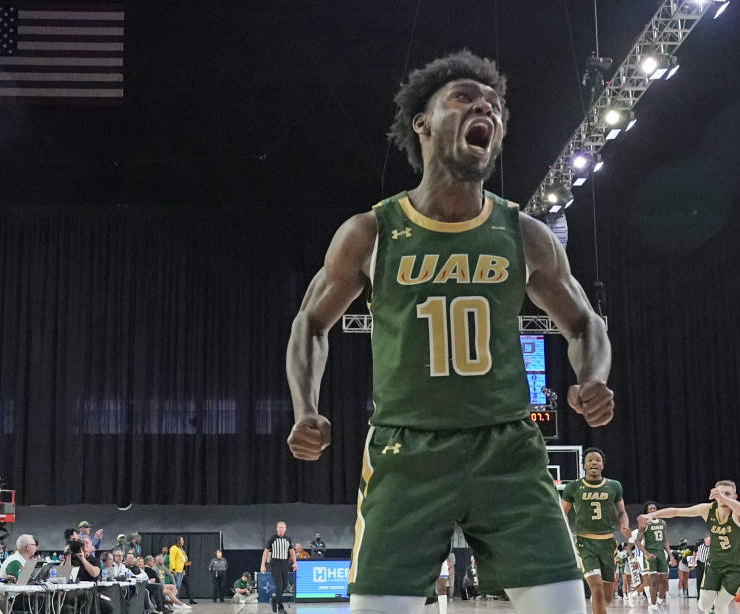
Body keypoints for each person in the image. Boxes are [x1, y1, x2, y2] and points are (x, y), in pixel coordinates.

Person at [285, 50, 613, 614]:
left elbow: (585, 322)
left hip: (507, 448)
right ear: (422, 122)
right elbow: (311, 323)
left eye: (495, 106)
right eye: (464, 96)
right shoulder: (372, 231)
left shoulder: (524, 233)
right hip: (404, 449)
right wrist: (304, 407)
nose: (484, 106)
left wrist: (592, 376)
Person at [639, 480, 740, 614]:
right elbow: (676, 511)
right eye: (720, 493)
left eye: (727, 493)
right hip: (716, 562)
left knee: (721, 605)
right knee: (704, 605)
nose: (723, 496)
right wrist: (651, 515)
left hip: (738, 565)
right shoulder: (708, 509)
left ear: (735, 497)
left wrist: (722, 497)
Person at [561, 448, 631, 614]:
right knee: (597, 587)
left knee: (606, 597)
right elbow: (561, 513)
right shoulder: (573, 487)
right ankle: (596, 598)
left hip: (608, 543)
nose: (593, 462)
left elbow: (622, 512)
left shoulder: (614, 486)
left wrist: (625, 524)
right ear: (584, 465)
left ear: (602, 465)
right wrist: (564, 532)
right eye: (590, 460)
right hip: (586, 543)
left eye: (597, 460)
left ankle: (598, 601)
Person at [635, 502, 675, 611]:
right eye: (650, 509)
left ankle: (659, 602)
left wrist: (671, 555)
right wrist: (646, 554)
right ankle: (652, 605)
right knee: (654, 580)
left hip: (661, 553)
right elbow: (637, 541)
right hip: (650, 553)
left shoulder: (663, 523)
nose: (653, 510)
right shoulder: (644, 523)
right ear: (647, 512)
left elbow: (665, 541)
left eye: (654, 508)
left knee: (664, 581)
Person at [260, 521, 295, 612]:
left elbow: (291, 551)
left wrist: (295, 562)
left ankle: (274, 599)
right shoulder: (272, 539)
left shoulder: (288, 539)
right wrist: (263, 565)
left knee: (285, 585)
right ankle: (280, 607)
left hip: (284, 564)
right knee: (279, 586)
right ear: (276, 529)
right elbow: (266, 552)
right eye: (279, 527)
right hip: (275, 564)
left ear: (285, 529)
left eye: (282, 527)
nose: (281, 529)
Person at [169, 536, 196, 604]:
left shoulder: (180, 549)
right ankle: (174, 601)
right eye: (182, 540)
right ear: (178, 541)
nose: (183, 541)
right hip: (176, 570)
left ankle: (175, 601)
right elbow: (171, 559)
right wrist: (174, 569)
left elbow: (180, 560)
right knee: (176, 587)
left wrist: (186, 564)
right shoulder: (173, 548)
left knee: (178, 587)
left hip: (181, 570)